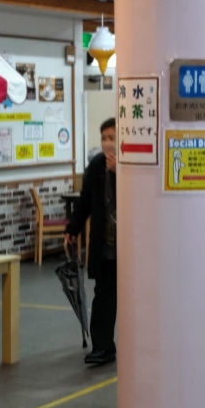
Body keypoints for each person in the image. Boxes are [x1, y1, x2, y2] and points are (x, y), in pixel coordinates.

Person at [65, 118, 118, 366]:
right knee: (103, 293)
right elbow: (85, 199)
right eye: (104, 138)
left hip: (131, 245)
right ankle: (103, 347)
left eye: (112, 138)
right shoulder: (96, 165)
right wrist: (72, 229)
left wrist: (119, 173)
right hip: (105, 241)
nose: (107, 143)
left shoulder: (134, 165)